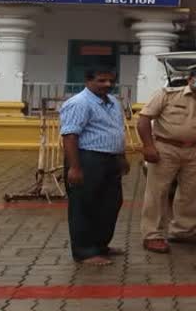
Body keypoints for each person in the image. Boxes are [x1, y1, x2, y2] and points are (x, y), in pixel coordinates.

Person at [137, 63, 196, 254]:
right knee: (157, 192)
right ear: (189, 79)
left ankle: (184, 230)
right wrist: (148, 146)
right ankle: (153, 235)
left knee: (191, 193)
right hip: (165, 147)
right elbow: (144, 119)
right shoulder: (167, 95)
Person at [60, 67, 128, 266]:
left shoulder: (113, 102)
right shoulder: (79, 103)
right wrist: (74, 167)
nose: (107, 84)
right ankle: (84, 252)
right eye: (101, 80)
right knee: (85, 205)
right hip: (87, 159)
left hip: (111, 160)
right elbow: (70, 136)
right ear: (88, 81)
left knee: (110, 203)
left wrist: (121, 156)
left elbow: (117, 130)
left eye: (110, 81)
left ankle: (100, 245)